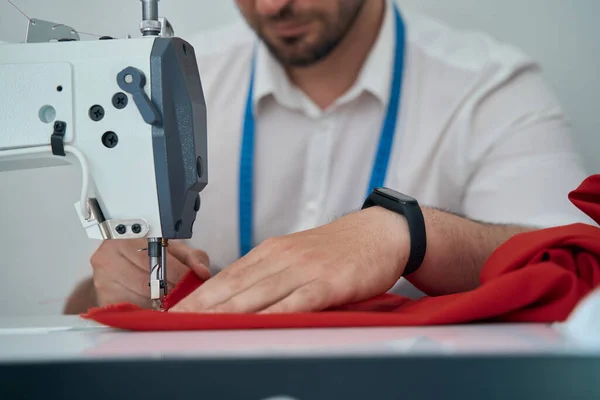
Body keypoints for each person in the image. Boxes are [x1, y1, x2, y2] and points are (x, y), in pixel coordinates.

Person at [64, 0, 593, 314]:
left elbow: (576, 264)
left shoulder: (489, 88)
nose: (272, 7)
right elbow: (77, 310)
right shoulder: (176, 84)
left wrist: (406, 234)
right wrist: (117, 287)